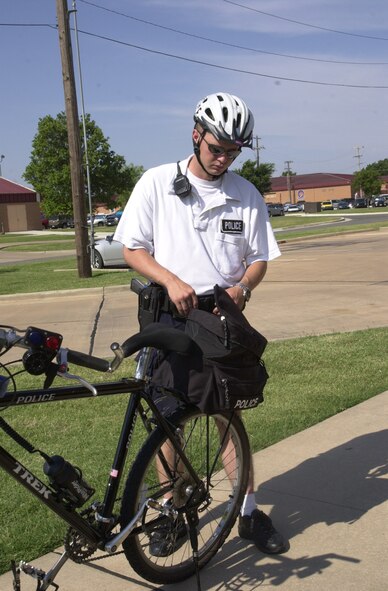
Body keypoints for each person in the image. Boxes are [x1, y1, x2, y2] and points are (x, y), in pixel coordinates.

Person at [114, 92, 288, 557]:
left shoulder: (245, 194)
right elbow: (132, 248)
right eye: (217, 148)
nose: (223, 158)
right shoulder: (155, 183)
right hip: (172, 314)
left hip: (221, 319)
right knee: (167, 420)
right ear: (196, 135)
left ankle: (248, 512)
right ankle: (172, 510)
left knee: (228, 415)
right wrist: (170, 280)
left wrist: (243, 289)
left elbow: (259, 259)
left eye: (233, 151)